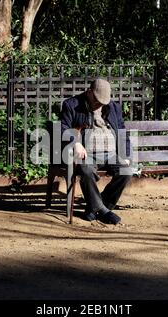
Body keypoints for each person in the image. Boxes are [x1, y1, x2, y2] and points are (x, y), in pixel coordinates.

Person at [60, 78, 133, 225]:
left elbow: (121, 131)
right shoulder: (71, 105)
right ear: (89, 92)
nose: (100, 104)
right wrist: (76, 143)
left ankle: (96, 208)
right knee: (86, 170)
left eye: (103, 102)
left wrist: (125, 154)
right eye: (98, 100)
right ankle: (104, 211)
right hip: (87, 153)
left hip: (111, 153)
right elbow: (63, 128)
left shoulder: (113, 107)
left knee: (126, 172)